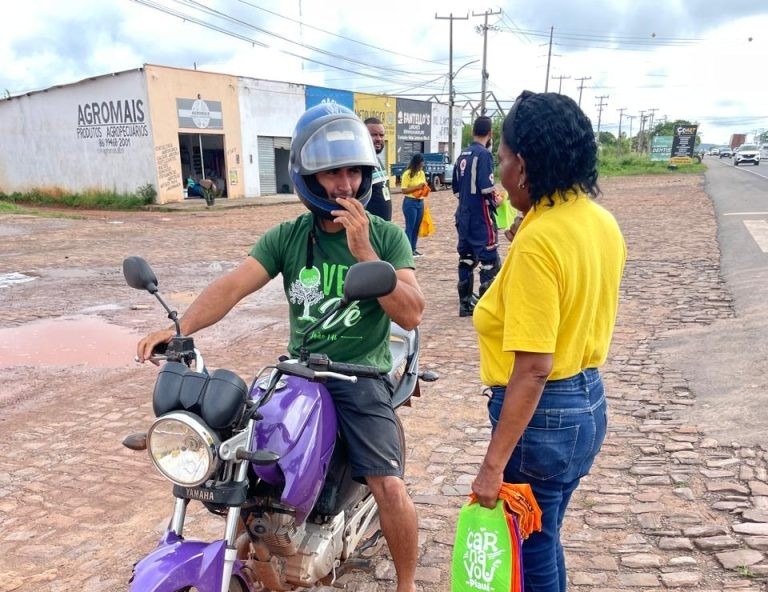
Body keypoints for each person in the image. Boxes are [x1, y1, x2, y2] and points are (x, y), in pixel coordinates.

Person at [137, 103, 425, 592]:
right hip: (297, 374)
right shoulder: (289, 237)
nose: (345, 184)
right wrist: (179, 328)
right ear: (308, 176)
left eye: (353, 171)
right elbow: (234, 285)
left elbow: (411, 312)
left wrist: (365, 254)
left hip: (361, 375)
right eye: (332, 172)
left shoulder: (386, 237)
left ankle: (408, 584)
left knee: (389, 484)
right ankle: (264, 546)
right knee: (240, 458)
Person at [470, 91, 626, 592]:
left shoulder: (541, 240)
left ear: (525, 164)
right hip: (589, 403)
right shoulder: (598, 221)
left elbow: (534, 366)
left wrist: (492, 467)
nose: (499, 173)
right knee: (545, 533)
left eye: (504, 159)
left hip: (543, 420)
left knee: (532, 546)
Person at [452, 115, 500, 317]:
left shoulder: (462, 155)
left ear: (473, 132)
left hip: (463, 214)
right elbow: (486, 187)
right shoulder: (484, 155)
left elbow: (455, 189)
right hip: (480, 215)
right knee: (490, 259)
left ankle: (465, 304)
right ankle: (486, 306)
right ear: (490, 134)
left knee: (466, 257)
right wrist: (495, 201)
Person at [400, 152, 428, 256]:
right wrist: (417, 187)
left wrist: (425, 188)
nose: (422, 166)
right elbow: (404, 190)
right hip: (410, 203)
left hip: (420, 202)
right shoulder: (407, 174)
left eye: (423, 164)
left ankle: (413, 249)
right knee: (410, 227)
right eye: (421, 164)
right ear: (416, 163)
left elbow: (422, 186)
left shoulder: (422, 173)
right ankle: (407, 250)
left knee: (417, 227)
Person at [364, 116, 392, 221]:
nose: (379, 139)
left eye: (381, 135)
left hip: (383, 229)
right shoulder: (361, 163)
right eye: (373, 135)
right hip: (370, 229)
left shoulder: (376, 159)